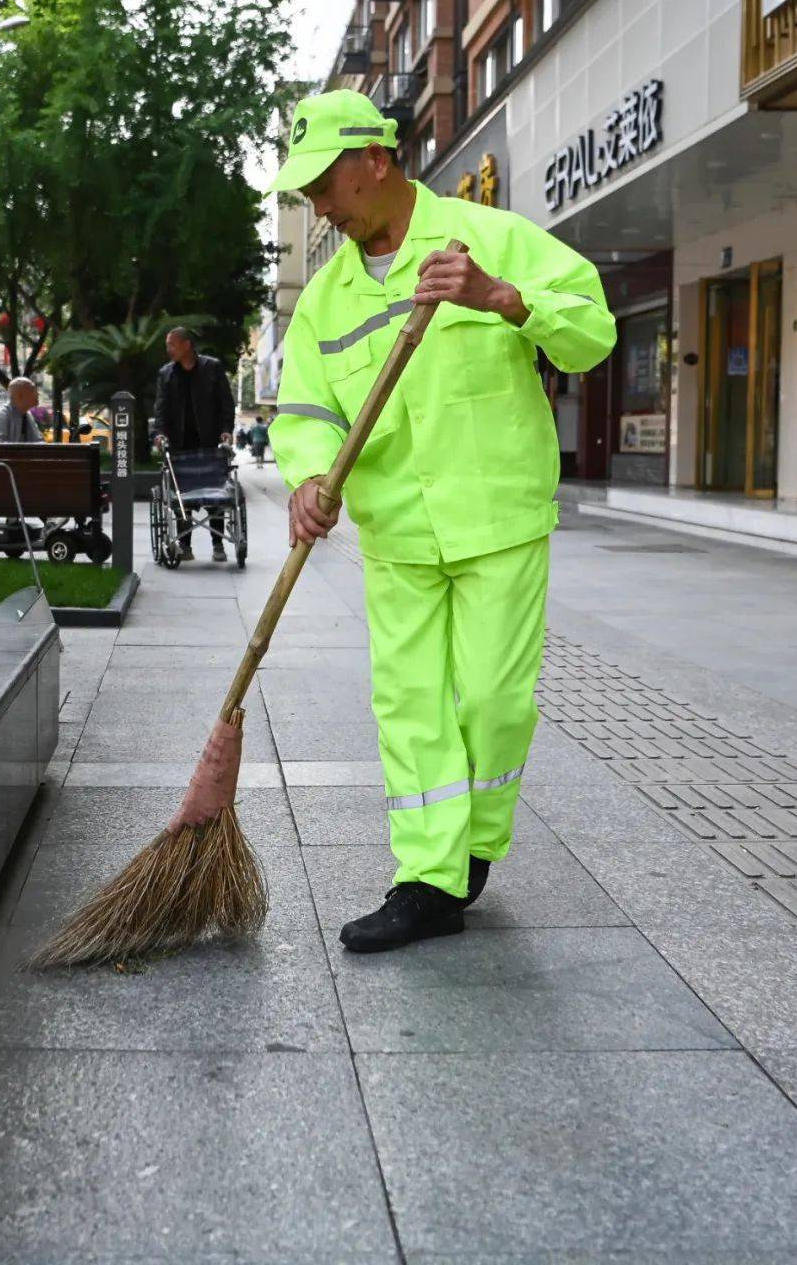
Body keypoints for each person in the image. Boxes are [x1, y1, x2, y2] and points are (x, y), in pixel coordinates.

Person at [267, 89, 616, 953]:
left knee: (495, 701)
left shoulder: (487, 238)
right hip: (397, 534)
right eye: (306, 189)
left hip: (497, 517)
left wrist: (504, 299)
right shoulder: (325, 299)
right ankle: (427, 876)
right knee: (412, 703)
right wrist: (310, 477)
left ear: (375, 161)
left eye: (326, 183)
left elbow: (595, 331)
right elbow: (305, 409)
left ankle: (474, 850)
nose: (318, 204)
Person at [153, 327, 235, 562]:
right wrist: (159, 433)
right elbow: (161, 409)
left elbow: (225, 403)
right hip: (179, 443)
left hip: (209, 440)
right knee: (181, 494)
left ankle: (218, 543)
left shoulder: (213, 368)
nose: (168, 350)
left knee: (215, 492)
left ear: (186, 345)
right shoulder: (166, 374)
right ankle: (184, 545)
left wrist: (226, 431)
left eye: (171, 344)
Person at [0, 377, 42, 443]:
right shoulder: (0, 416)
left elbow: (38, 442)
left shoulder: (27, 415)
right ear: (19, 396)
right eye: (33, 390)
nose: (38, 393)